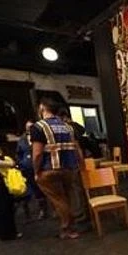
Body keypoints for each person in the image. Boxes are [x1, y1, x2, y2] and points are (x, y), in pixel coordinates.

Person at [31, 98, 83, 239]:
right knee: (67, 197)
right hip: (69, 168)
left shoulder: (38, 127)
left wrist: (36, 172)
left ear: (42, 108)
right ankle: (70, 226)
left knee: (58, 200)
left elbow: (37, 154)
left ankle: (68, 229)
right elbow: (77, 149)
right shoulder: (68, 126)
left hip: (50, 169)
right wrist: (81, 165)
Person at [16, 120, 47, 221]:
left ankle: (47, 209)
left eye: (31, 126)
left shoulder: (40, 137)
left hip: (40, 166)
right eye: (27, 127)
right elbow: (19, 153)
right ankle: (34, 212)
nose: (29, 128)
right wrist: (21, 163)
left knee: (42, 188)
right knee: (31, 190)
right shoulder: (22, 139)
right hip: (27, 168)